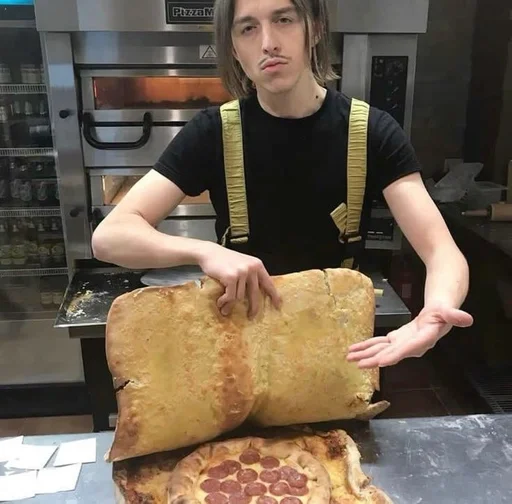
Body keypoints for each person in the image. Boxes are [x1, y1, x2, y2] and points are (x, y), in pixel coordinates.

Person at [91, 0, 473, 370]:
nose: (268, 42)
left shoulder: (372, 132)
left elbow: (442, 252)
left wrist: (437, 308)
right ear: (234, 49)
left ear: (315, 28)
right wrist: (204, 251)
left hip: (339, 352)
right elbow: (110, 237)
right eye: (248, 28)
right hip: (240, 354)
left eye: (284, 20)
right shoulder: (212, 133)